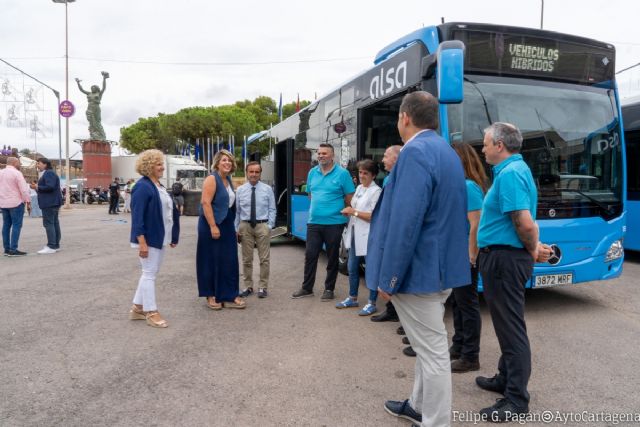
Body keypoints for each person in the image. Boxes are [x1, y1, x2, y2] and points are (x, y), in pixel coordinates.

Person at [366, 92, 470, 427]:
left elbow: (405, 222)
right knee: (430, 347)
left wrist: (389, 278)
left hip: (418, 273)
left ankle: (436, 421)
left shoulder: (415, 152)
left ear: (405, 117)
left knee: (434, 352)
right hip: (439, 270)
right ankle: (417, 405)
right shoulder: (447, 152)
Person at [474, 123, 552, 422]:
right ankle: (504, 379)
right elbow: (522, 223)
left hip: (505, 260)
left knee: (511, 330)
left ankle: (516, 399)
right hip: (503, 257)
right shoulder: (511, 171)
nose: (482, 149)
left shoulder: (510, 174)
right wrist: (533, 247)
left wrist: (532, 249)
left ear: (499, 145)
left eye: (485, 143)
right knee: (507, 324)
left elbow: (524, 222)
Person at [291, 143, 355, 300]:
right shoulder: (312, 172)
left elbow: (349, 198)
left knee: (332, 256)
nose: (320, 156)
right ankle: (307, 288)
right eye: (319, 153)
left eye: (324, 153)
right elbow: (310, 195)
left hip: (334, 223)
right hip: (314, 222)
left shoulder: (342, 174)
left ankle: (329, 289)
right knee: (310, 255)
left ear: (332, 156)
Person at [448, 142, 489, 373]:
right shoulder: (459, 184)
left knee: (467, 303)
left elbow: (476, 225)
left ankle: (471, 356)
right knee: (457, 301)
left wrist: (471, 254)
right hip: (456, 252)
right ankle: (459, 344)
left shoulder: (469, 186)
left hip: (466, 253)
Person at [129, 149, 180, 328]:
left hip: (160, 238)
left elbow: (168, 212)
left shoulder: (157, 185)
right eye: (159, 164)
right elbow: (137, 217)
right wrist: (142, 242)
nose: (162, 168)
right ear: (149, 166)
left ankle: (137, 307)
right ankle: (151, 312)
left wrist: (173, 235)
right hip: (149, 239)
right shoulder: (142, 187)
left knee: (150, 273)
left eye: (162, 164)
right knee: (149, 274)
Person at [197, 149, 246, 310]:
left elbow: (229, 206)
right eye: (224, 160)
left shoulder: (228, 180)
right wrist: (212, 226)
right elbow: (206, 203)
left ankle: (229, 295)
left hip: (226, 225)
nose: (227, 163)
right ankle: (211, 295)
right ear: (217, 163)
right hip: (211, 224)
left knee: (229, 260)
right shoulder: (212, 179)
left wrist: (233, 227)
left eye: (230, 161)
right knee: (210, 260)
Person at [335, 159, 382, 315]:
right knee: (352, 268)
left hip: (369, 235)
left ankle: (372, 302)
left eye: (365, 173)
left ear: (373, 175)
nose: (361, 176)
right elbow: (354, 206)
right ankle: (352, 298)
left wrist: (352, 212)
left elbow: (373, 216)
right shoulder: (360, 188)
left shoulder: (376, 191)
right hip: (355, 233)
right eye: (360, 172)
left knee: (371, 269)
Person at [371, 144, 402, 323]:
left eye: (386, 156)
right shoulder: (388, 178)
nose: (382, 160)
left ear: (396, 158)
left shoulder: (401, 178)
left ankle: (400, 314)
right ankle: (391, 311)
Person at [235, 161, 276, 299]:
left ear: (260, 174)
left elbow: (272, 209)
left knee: (264, 259)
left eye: (256, 172)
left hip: (262, 226)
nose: (253, 174)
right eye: (251, 171)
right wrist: (236, 228)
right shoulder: (240, 190)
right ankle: (248, 286)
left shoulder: (267, 189)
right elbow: (237, 212)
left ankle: (263, 287)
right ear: (247, 173)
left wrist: (269, 226)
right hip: (245, 226)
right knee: (247, 259)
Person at [0, 157, 31, 256]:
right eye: (18, 162)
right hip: (16, 203)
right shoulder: (17, 173)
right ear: (14, 163)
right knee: (16, 225)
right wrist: (28, 201)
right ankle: (13, 249)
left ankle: (7, 249)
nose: (20, 164)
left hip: (3, 203)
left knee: (6, 225)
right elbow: (24, 189)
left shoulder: (1, 172)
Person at [33, 158, 62, 254]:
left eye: (39, 163)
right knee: (54, 223)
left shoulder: (49, 173)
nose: (37, 165)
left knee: (49, 224)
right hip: (52, 202)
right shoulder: (50, 173)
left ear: (45, 164)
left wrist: (37, 187)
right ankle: (55, 245)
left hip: (49, 203)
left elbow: (50, 186)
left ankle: (51, 246)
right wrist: (38, 187)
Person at [75, 71, 109, 141]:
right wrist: (78, 83)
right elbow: (82, 90)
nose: (92, 88)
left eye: (93, 87)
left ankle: (101, 135)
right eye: (91, 88)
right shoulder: (89, 93)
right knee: (91, 122)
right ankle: (93, 134)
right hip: (89, 108)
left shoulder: (99, 93)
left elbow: (104, 88)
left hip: (96, 108)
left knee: (97, 121)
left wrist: (104, 79)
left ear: (96, 88)